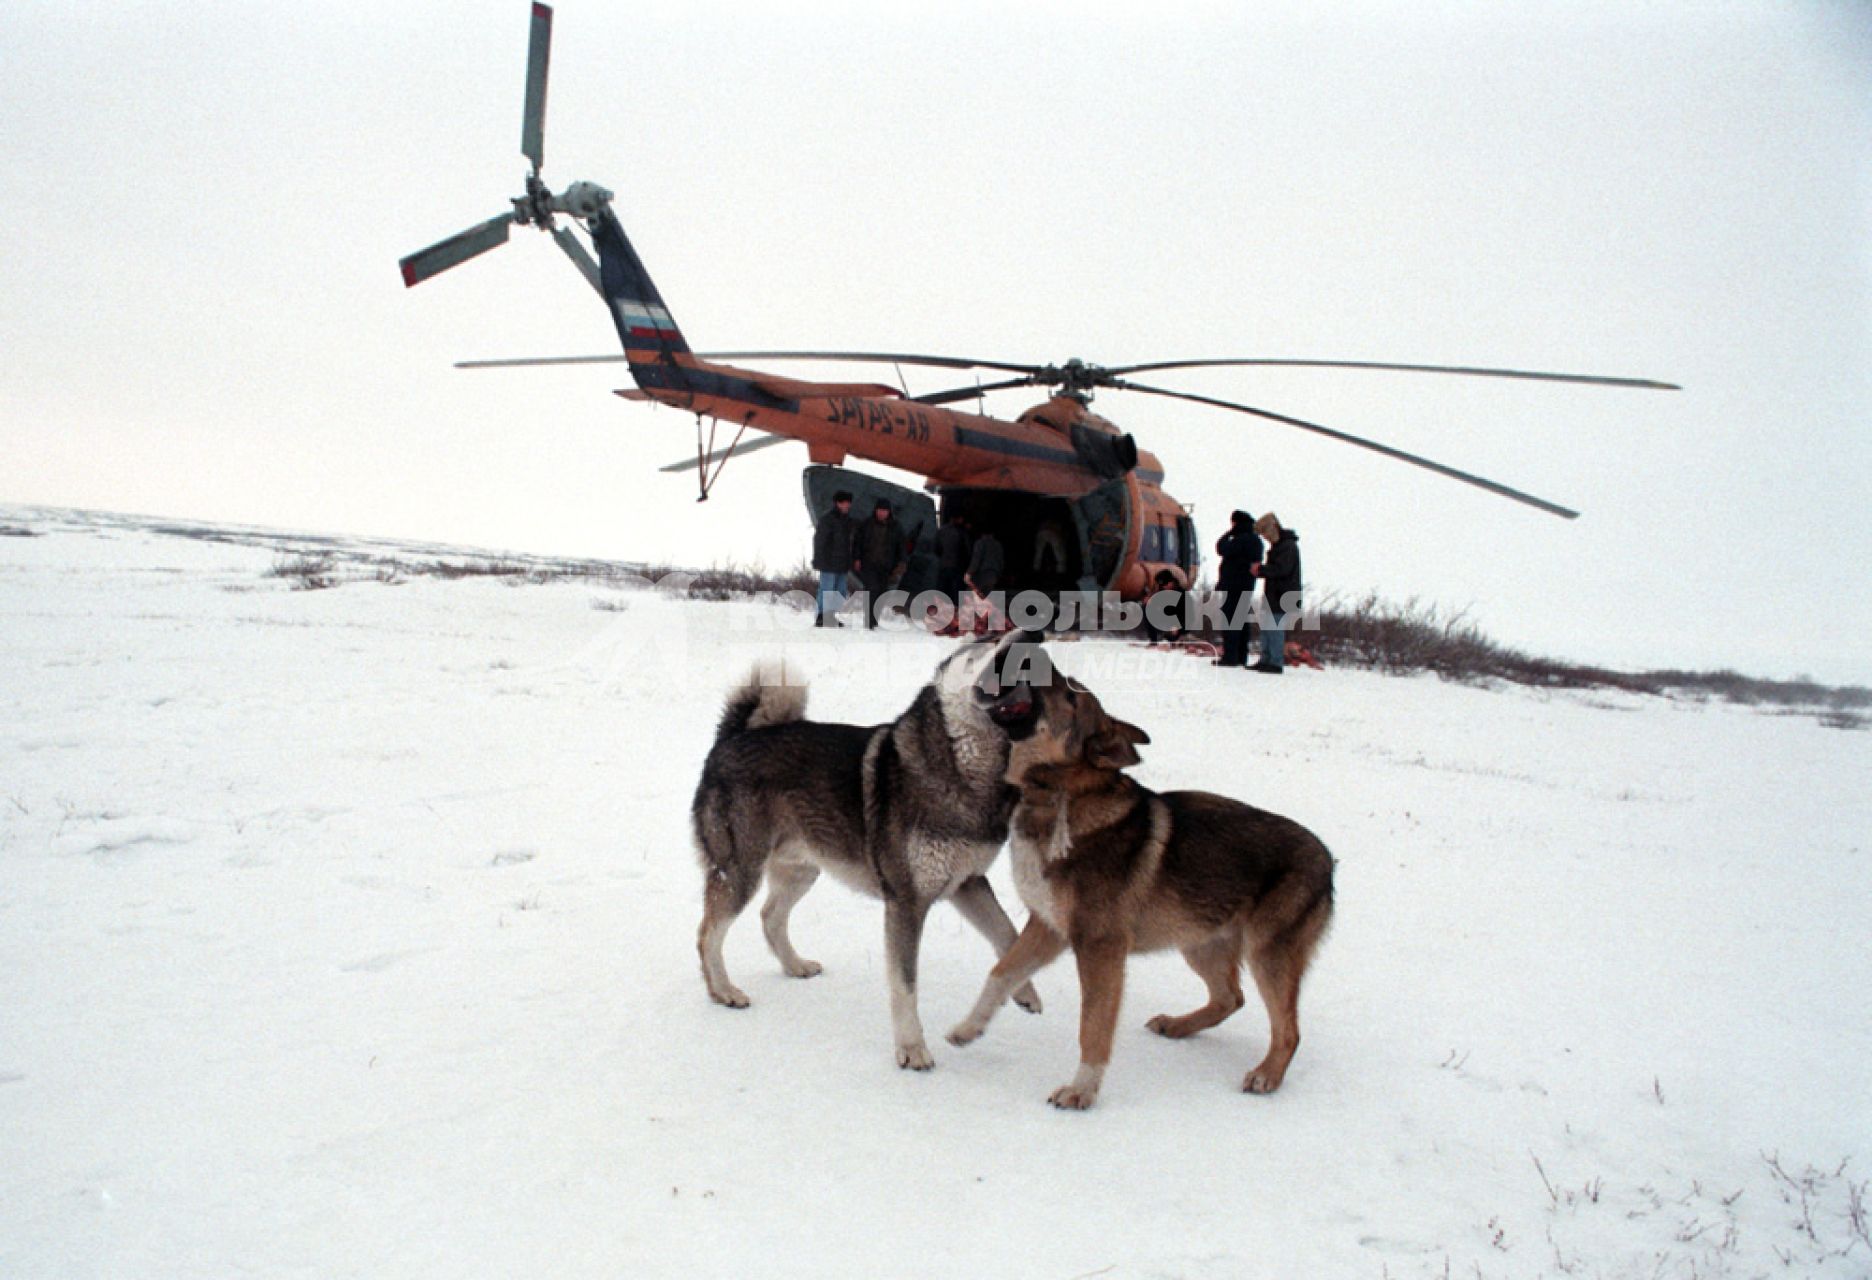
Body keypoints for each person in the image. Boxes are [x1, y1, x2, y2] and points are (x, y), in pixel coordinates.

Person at [1250, 512, 1301, 674]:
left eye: (1265, 532)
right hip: (1275, 593)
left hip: (1283, 595)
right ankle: (1266, 659)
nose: (1264, 537)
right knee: (1267, 627)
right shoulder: (1281, 546)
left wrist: (1261, 570)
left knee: (1275, 628)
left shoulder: (1288, 547)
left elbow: (1282, 570)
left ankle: (1275, 662)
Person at [1212, 509, 1263, 666]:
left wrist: (1229, 533)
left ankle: (1230, 656)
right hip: (1247, 585)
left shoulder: (1240, 539)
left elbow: (1221, 548)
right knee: (1242, 622)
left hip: (1233, 585)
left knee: (1230, 621)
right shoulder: (1256, 540)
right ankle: (1242, 656)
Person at [854, 497, 906, 630]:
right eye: (880, 510)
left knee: (882, 592)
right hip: (869, 563)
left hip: (886, 565)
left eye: (885, 511)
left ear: (889, 512)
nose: (882, 513)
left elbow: (901, 546)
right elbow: (857, 542)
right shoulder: (866, 524)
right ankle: (869, 621)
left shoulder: (896, 527)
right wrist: (857, 558)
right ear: (875, 510)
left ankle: (874, 619)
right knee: (871, 590)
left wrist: (902, 562)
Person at [810, 490, 856, 627]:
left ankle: (831, 616)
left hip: (842, 563)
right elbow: (819, 541)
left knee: (839, 591)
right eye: (846, 503)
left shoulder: (847, 521)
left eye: (849, 503)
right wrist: (819, 559)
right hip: (829, 561)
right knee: (827, 589)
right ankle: (821, 616)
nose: (848, 506)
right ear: (838, 503)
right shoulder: (828, 520)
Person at [963, 527, 1005, 634]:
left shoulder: (980, 543)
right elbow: (1001, 561)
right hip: (993, 575)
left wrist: (969, 573)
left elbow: (976, 559)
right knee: (987, 600)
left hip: (981, 574)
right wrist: (998, 575)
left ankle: (971, 625)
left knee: (970, 596)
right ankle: (988, 626)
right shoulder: (998, 544)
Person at [934, 510, 972, 627]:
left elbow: (936, 548)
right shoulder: (962, 532)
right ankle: (953, 622)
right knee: (955, 596)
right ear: (958, 519)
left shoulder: (941, 531)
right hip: (957, 569)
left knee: (942, 594)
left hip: (943, 567)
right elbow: (968, 551)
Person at [1144, 569, 1186, 643]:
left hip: (1178, 626)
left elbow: (1186, 615)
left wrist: (1178, 627)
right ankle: (1154, 641)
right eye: (1162, 586)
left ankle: (1177, 639)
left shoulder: (1183, 595)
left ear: (1171, 582)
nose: (1164, 588)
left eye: (1165, 585)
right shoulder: (1162, 592)